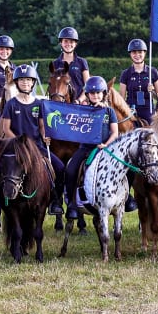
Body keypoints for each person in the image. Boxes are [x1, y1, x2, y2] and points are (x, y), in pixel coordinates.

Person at [0, 63, 64, 216]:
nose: (25, 83)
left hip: (36, 147)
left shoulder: (39, 104)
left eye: (28, 80)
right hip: (15, 147)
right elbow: (6, 128)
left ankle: (56, 201)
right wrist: (17, 143)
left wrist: (45, 136)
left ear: (33, 83)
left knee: (60, 167)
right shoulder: (11, 104)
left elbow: (42, 126)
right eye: (22, 80)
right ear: (16, 83)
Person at [65, 76, 119, 220]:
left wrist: (106, 144)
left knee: (123, 168)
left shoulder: (109, 112)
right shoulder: (83, 109)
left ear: (104, 94)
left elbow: (115, 132)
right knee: (70, 170)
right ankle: (71, 203)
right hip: (85, 149)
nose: (95, 96)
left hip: (106, 149)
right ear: (87, 95)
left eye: (98, 93)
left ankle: (126, 198)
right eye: (92, 93)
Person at [118, 39, 158, 125]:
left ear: (144, 53)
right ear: (130, 54)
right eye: (134, 52)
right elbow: (122, 98)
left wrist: (152, 92)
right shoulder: (125, 73)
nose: (137, 55)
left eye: (140, 52)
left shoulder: (152, 72)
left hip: (148, 110)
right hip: (130, 110)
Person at [50, 27, 89, 96]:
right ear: (61, 43)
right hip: (62, 102)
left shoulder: (82, 62)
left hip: (80, 102)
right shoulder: (55, 64)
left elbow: (88, 85)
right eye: (65, 41)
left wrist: (80, 100)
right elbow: (53, 85)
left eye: (71, 42)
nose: (68, 44)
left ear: (75, 44)